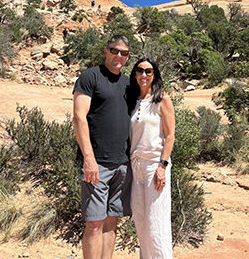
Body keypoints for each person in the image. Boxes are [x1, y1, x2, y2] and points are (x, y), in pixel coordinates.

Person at [73, 35, 132, 259]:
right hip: (97, 163)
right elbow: (79, 117)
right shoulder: (90, 77)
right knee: (95, 223)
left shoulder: (128, 83)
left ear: (127, 57)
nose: (118, 56)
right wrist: (88, 158)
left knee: (111, 221)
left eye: (124, 53)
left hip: (123, 164)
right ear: (105, 51)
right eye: (114, 50)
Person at [128, 58, 175, 259]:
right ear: (135, 74)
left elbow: (170, 135)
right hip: (135, 166)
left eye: (148, 71)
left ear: (154, 75)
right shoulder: (132, 100)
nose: (144, 75)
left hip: (154, 165)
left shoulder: (162, 99)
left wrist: (162, 166)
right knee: (141, 220)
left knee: (156, 223)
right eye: (140, 70)